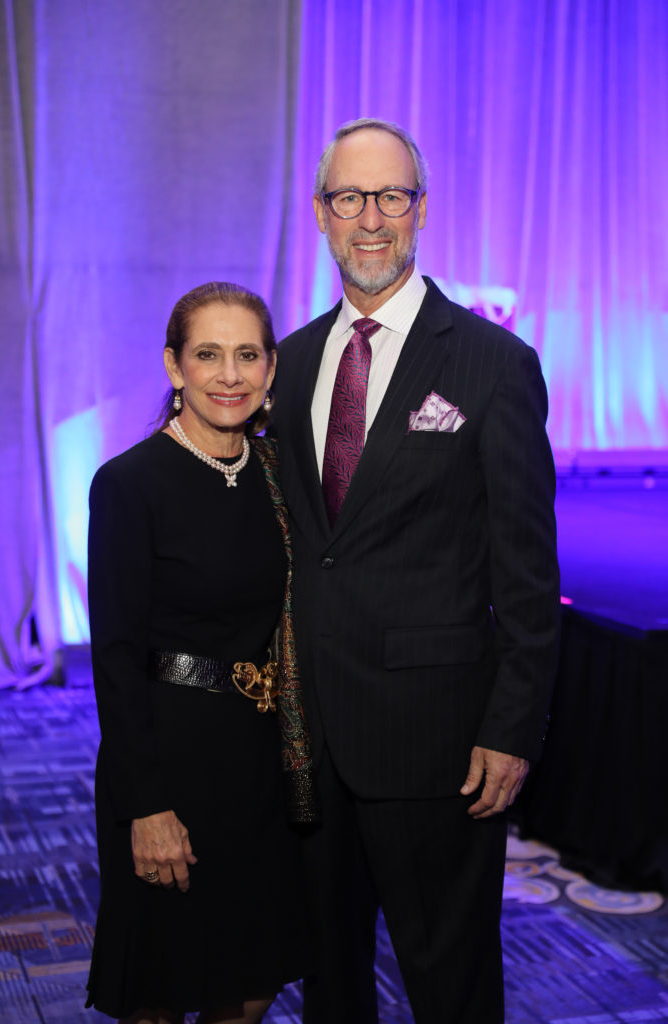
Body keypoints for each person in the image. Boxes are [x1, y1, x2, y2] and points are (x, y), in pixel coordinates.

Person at [271, 118, 560, 1024]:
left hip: (437, 744)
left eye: (390, 196)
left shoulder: (493, 364)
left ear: (421, 210)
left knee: (450, 984)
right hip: (308, 739)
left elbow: (526, 573)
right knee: (328, 982)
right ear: (320, 212)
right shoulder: (293, 360)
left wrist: (511, 728)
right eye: (349, 198)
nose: (370, 219)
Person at [86, 281, 317, 1024]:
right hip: (168, 758)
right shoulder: (130, 483)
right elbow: (116, 656)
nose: (229, 375)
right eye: (208, 355)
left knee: (251, 983)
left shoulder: (281, 475)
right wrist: (145, 804)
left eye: (247, 355)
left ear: (271, 367)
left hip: (261, 761)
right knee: (161, 990)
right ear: (173, 365)